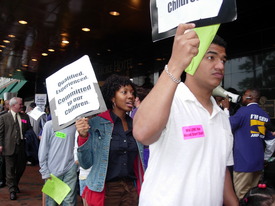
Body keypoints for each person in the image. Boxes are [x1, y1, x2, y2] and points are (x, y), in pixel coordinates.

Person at [133, 23, 238, 205]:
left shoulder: (222, 117)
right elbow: (142, 133)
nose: (220, 65)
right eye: (211, 57)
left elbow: (221, 170)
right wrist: (175, 63)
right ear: (192, 59)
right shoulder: (169, 100)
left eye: (223, 59)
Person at [76, 74, 144, 206]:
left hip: (131, 189)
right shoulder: (96, 124)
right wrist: (83, 137)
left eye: (132, 92)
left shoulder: (136, 125)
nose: (130, 96)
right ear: (112, 98)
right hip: (106, 191)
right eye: (124, 92)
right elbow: (85, 163)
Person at [230, 88, 275, 200]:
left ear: (249, 97)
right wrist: (266, 157)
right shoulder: (265, 115)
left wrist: (225, 109)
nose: (242, 97)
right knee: (254, 196)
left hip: (243, 162)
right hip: (258, 163)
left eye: (244, 95)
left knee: (241, 195)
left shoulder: (243, 111)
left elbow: (226, 126)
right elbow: (271, 141)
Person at [38, 120, 78, 206]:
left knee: (69, 201)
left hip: (70, 168)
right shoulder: (50, 125)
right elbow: (43, 148)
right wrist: (44, 170)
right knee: (51, 202)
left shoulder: (76, 125)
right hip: (53, 170)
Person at [0, 97, 32, 200]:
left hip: (21, 146)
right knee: (10, 169)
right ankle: (12, 190)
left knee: (21, 167)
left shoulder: (25, 117)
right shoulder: (4, 117)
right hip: (8, 147)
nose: (22, 105)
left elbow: (29, 129)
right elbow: (0, 133)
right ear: (14, 105)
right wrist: (0, 145)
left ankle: (15, 183)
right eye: (20, 104)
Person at [0, 99, 9, 188]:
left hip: (11, 143)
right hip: (4, 142)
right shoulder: (2, 116)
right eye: (7, 104)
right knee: (2, 162)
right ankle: (2, 179)